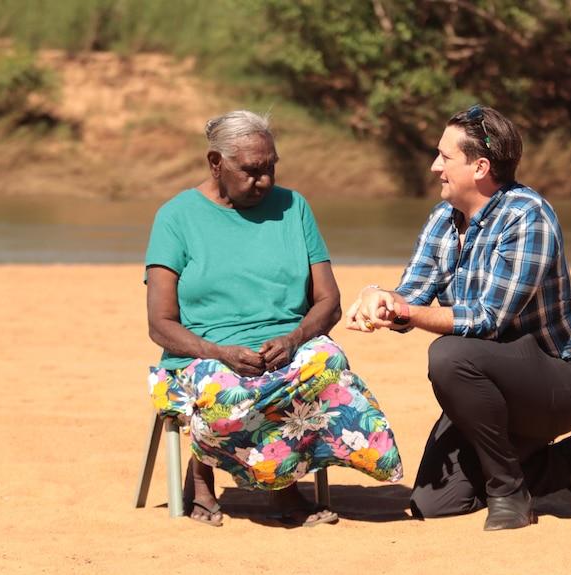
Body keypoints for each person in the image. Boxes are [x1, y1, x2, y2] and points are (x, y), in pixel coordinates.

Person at [345, 104, 571, 531]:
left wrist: (407, 312)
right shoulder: (442, 220)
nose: (435, 167)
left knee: (449, 355)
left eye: (445, 157)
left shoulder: (528, 216)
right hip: (485, 379)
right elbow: (411, 295)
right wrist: (379, 297)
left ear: (480, 167)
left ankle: (508, 492)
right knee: (435, 503)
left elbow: (488, 318)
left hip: (559, 379)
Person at [144, 109, 403, 528]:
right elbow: (160, 323)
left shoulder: (293, 207)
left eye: (270, 168)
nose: (264, 181)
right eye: (251, 171)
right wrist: (219, 352)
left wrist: (296, 338)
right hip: (208, 353)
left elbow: (328, 302)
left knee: (330, 362)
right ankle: (226, 475)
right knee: (227, 390)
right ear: (216, 163)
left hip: (286, 350)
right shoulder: (176, 218)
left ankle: (277, 477)